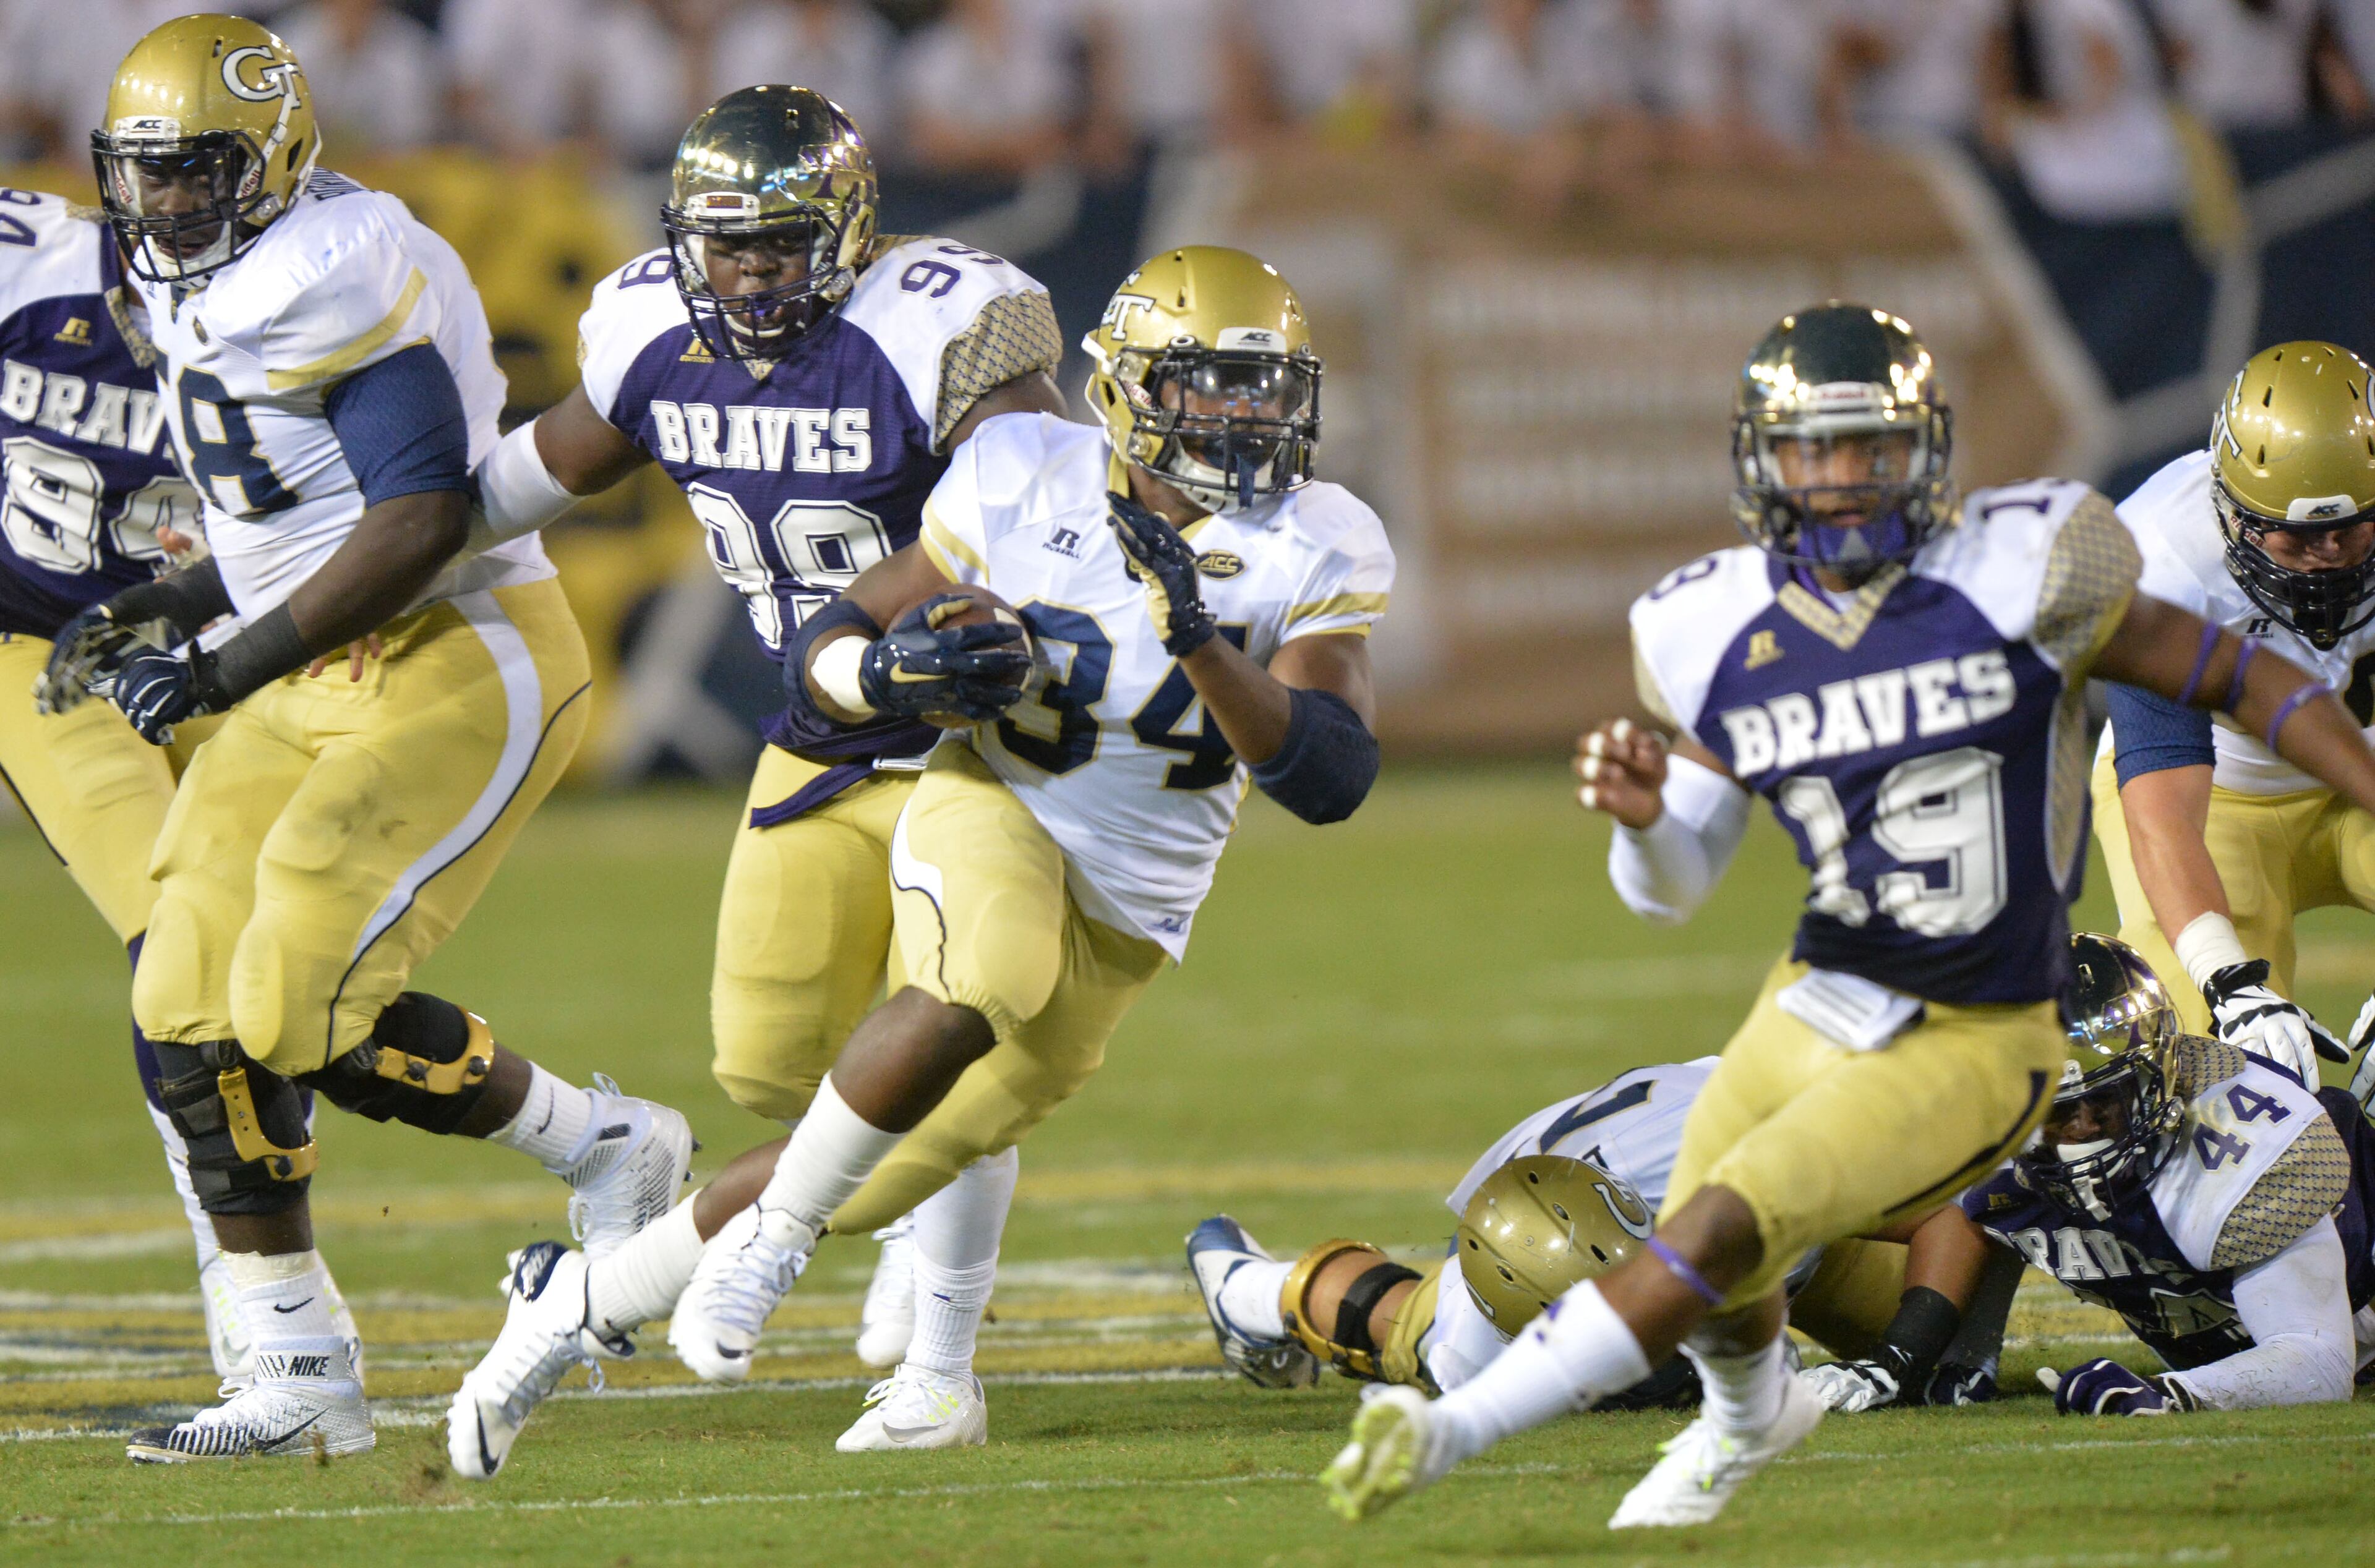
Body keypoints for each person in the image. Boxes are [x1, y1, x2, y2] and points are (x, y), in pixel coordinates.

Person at [1320, 299, 2375, 1530]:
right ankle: (1752, 1402)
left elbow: (2238, 674)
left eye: (1869, 450)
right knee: (1723, 1235)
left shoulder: (2026, 557)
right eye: (1813, 452)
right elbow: (1664, 889)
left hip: (1991, 1011)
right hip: (1830, 983)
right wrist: (1645, 818)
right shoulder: (1701, 619)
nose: (1839, 483)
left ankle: (1459, 1426)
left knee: (1726, 1220)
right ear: (1759, 464)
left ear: (1923, 449)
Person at [448, 244, 1389, 1472]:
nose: (1247, 415)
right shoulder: (1018, 470)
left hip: (1134, 904)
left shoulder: (1320, 538)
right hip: (992, 796)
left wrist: (1202, 639)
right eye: (1211, 384)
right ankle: (772, 1246)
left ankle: (570, 1308)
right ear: (1133, 388)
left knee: (885, 1176)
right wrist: (885, 671)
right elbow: (836, 629)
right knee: (984, 976)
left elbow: (1327, 775)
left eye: (1265, 386)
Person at [49, 16, 693, 1463]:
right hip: (305, 656)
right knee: (183, 999)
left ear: (272, 160)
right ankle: (300, 1375)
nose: (163, 203)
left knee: (295, 1006)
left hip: (445, 652)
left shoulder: (334, 268)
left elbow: (411, 518)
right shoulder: (205, 267)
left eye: (196, 170)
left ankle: (611, 1144)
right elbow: (293, 511)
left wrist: (226, 661)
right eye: (142, 172)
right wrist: (176, 598)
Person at [450, 85, 1068, 1420]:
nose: (747, 271)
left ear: (847, 230)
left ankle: (938, 1359)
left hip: (981, 746)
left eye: (779, 242)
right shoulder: (649, 327)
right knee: (771, 1061)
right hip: (821, 736)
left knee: (931, 1052)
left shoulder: (941, 324)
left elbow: (1045, 511)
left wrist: (927, 640)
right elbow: (539, 469)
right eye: (723, 243)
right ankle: (903, 1226)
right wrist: (379, 557)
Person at [0, 183, 362, 1382]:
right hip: (44, 646)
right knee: (180, 947)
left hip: (222, 650)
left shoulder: (322, 285)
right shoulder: (30, 267)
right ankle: (257, 1288)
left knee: (285, 949)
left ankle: (589, 1135)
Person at [1189, 1057, 1996, 1407]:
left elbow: (1962, 1209)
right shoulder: (1475, 1345)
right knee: (1405, 1331)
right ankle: (1253, 1292)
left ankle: (1238, 1285)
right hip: (1546, 1202)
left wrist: (1902, 1361)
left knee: (1954, 1357)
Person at [1810, 932, 2375, 1417]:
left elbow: (2319, 1362)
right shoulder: (1994, 1134)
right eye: (2057, 1111)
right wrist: (1967, 1358)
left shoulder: (2246, 1145)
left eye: (2106, 1103)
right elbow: (1986, 1213)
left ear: (2159, 1078)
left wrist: (2171, 1394)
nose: (2083, 1131)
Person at [2093, 343, 2375, 1092]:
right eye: (2298, 533)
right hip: (2218, 800)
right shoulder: (2160, 552)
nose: (2328, 557)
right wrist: (2231, 984)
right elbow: (2163, 803)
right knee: (2230, 1084)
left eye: (2351, 529)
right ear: (2232, 509)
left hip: (2366, 782)